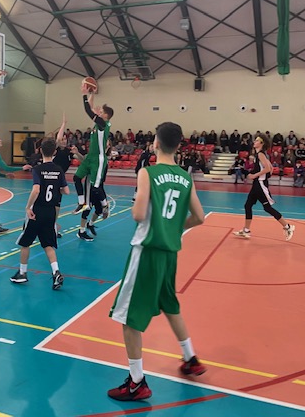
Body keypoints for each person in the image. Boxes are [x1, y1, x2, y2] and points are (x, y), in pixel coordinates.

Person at [107, 122, 206, 402]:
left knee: (128, 318)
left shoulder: (147, 173)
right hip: (169, 254)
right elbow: (199, 217)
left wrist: (148, 212)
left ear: (156, 143)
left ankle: (137, 382)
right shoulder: (186, 178)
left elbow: (138, 215)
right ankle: (190, 359)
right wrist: (173, 227)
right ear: (178, 145)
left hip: (147, 252)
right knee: (169, 305)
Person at [10, 138, 68, 289]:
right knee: (48, 245)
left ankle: (22, 273)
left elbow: (36, 190)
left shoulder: (37, 169)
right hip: (50, 212)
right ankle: (56, 272)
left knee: (25, 243)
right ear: (55, 152)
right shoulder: (58, 170)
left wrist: (28, 207)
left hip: (37, 212)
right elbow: (66, 191)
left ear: (41, 150)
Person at [233, 134, 295, 241]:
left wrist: (255, 176)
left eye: (257, 140)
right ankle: (246, 230)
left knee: (268, 208)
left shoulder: (261, 154)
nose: (254, 142)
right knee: (248, 205)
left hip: (260, 185)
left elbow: (267, 169)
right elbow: (271, 168)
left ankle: (288, 227)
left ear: (262, 143)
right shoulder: (261, 154)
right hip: (257, 184)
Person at [72, 83, 114, 217]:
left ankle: (105, 205)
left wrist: (84, 94)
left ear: (105, 115)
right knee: (76, 178)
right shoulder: (98, 123)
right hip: (90, 157)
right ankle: (81, 202)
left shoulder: (103, 124)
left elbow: (88, 110)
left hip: (98, 159)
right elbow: (90, 108)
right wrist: (92, 93)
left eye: (101, 112)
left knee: (96, 187)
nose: (98, 112)